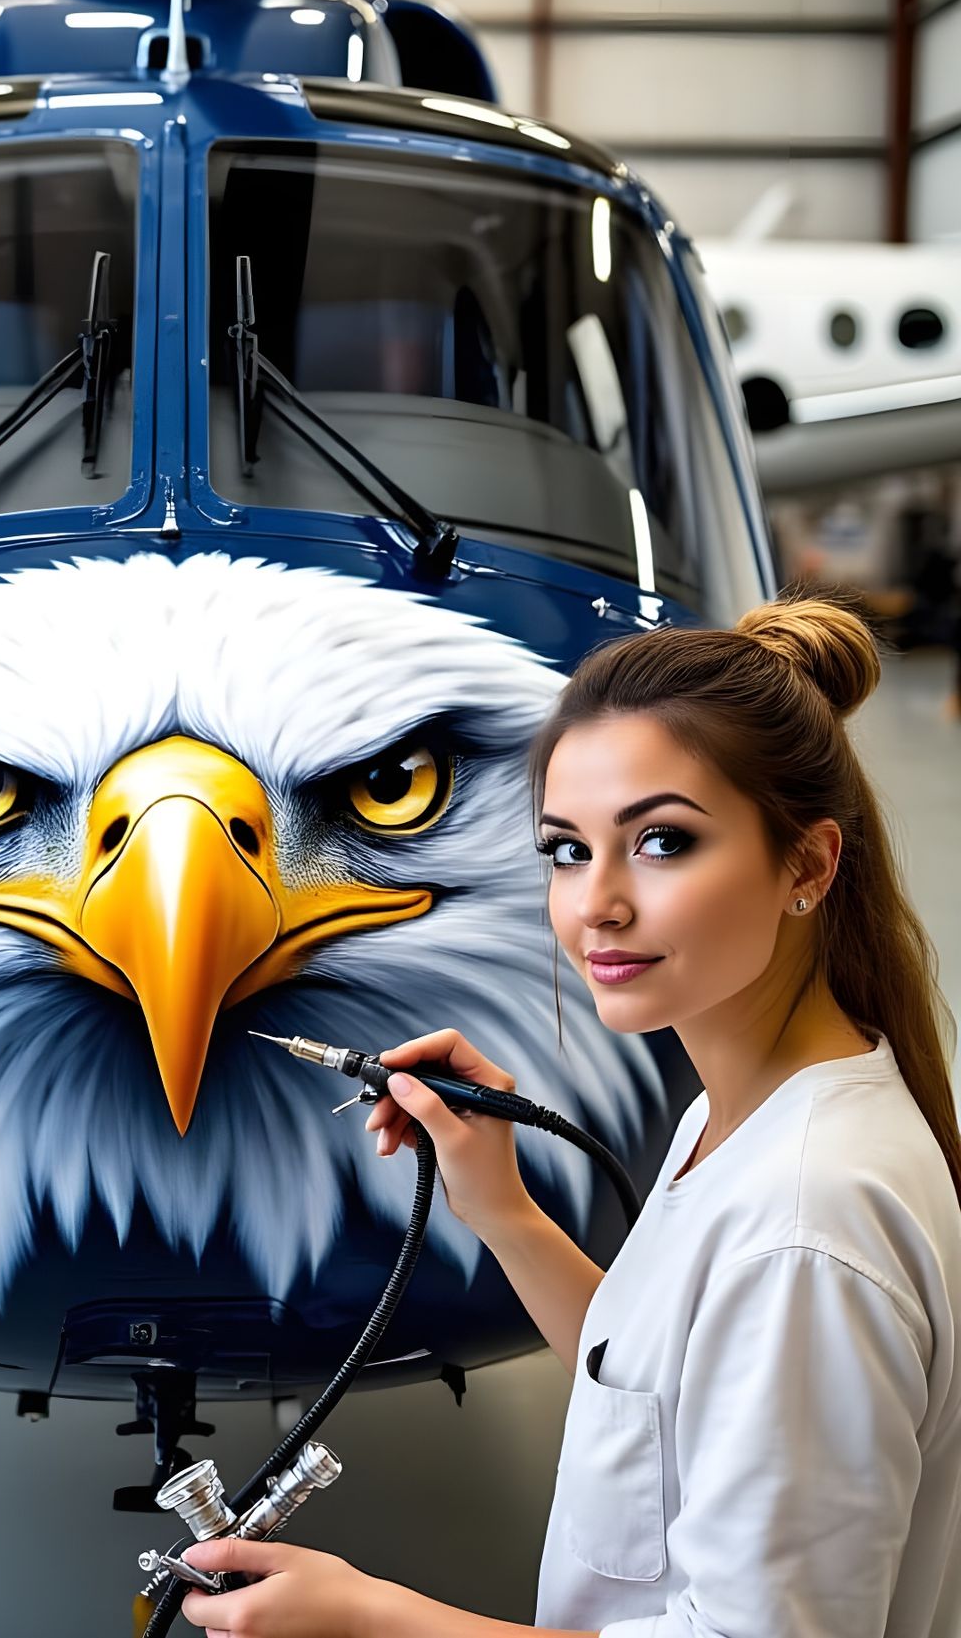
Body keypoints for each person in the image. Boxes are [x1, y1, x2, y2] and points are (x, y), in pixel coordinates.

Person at [178, 592, 961, 1637]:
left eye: (663, 841)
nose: (596, 902)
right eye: (565, 848)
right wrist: (499, 1202)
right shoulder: (746, 1112)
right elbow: (660, 1390)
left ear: (807, 865)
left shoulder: (806, 1220)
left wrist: (377, 1619)